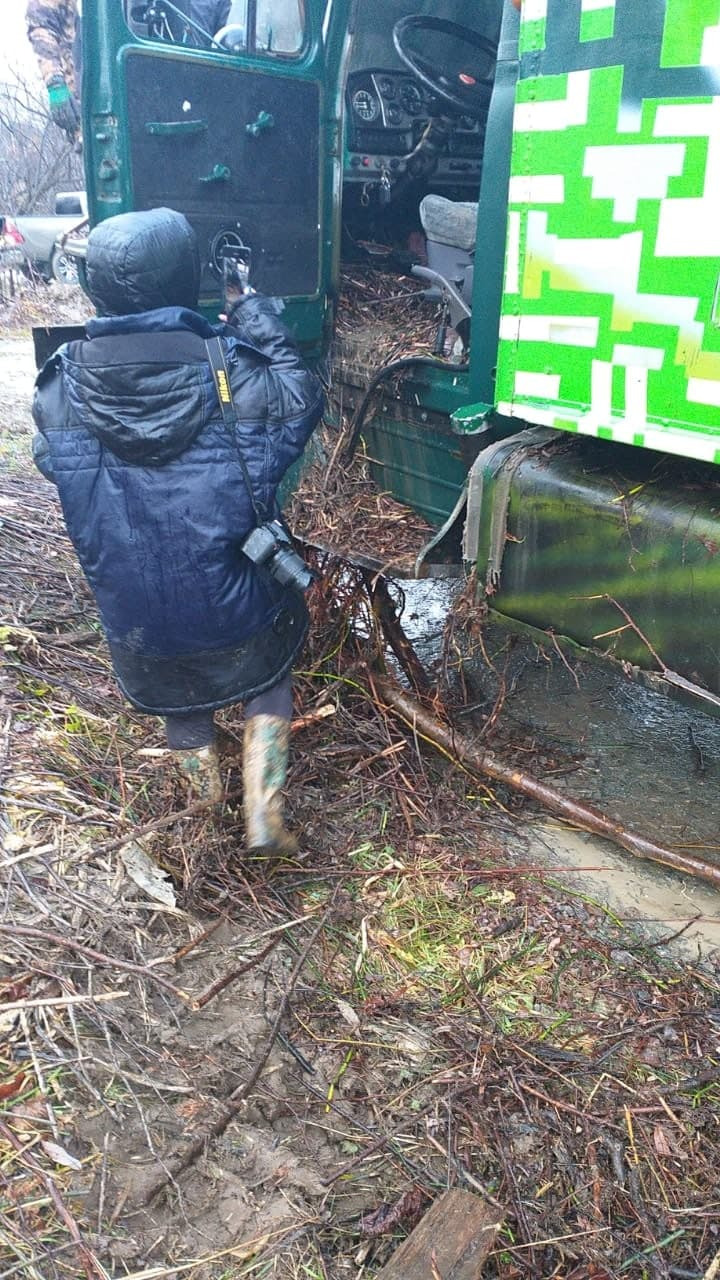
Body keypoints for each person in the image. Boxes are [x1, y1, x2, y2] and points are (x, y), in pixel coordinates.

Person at [32, 207, 324, 856]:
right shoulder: (235, 369)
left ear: (96, 290)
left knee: (180, 697)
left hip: (137, 619)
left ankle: (200, 812)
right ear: (185, 280)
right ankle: (263, 815)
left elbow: (54, 463)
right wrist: (248, 310)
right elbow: (302, 396)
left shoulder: (57, 387)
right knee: (268, 674)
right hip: (235, 604)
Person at [26, 1, 232, 142]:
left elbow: (229, 42)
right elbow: (42, 20)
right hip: (108, 112)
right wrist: (55, 85)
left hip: (195, 116)